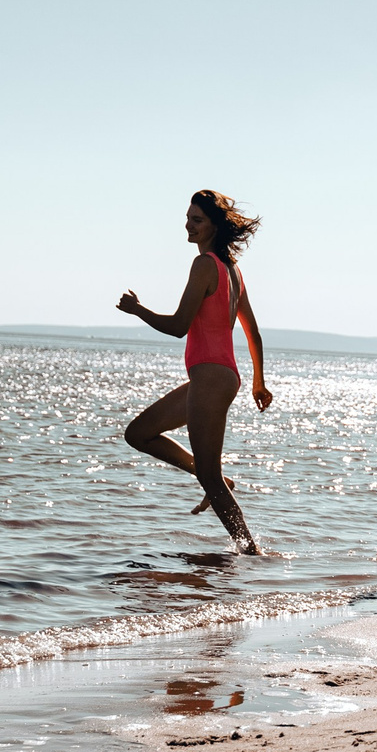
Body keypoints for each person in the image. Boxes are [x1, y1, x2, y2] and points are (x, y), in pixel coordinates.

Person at [118, 191, 273, 553]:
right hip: (218, 377)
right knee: (138, 433)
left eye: (197, 220)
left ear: (215, 226)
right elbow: (254, 332)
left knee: (210, 477)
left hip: (211, 378)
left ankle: (251, 552)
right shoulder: (233, 271)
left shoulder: (205, 266)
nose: (189, 225)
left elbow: (178, 326)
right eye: (188, 218)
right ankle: (220, 483)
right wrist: (257, 382)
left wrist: (137, 310)